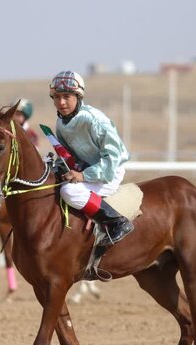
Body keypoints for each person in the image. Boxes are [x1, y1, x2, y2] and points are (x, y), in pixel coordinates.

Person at [49, 70, 134, 246]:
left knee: (68, 192)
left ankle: (117, 221)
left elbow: (112, 159)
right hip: (87, 169)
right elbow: (68, 156)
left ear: (78, 96)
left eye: (66, 96)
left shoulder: (94, 119)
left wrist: (83, 176)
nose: (61, 102)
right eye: (57, 97)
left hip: (109, 171)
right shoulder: (61, 122)